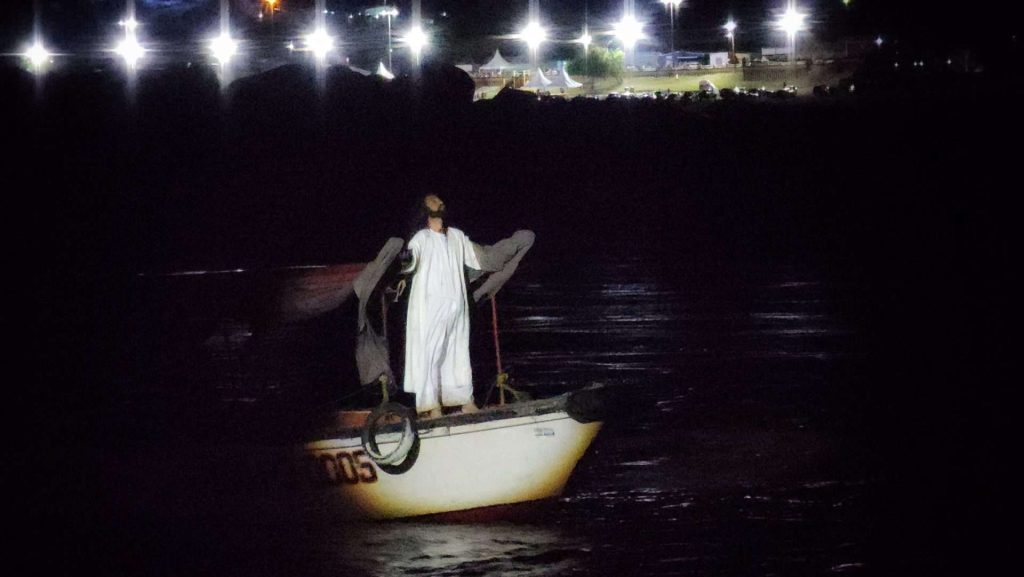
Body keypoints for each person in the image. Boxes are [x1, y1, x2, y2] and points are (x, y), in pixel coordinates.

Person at [400, 195, 482, 419]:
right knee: (431, 352)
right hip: (432, 306)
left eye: (440, 200)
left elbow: (477, 258)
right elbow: (410, 261)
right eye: (434, 201)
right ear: (426, 210)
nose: (440, 202)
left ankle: (464, 399)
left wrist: (507, 253)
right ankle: (431, 404)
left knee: (458, 351)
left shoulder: (456, 236)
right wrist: (405, 259)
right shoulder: (421, 238)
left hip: (456, 305)